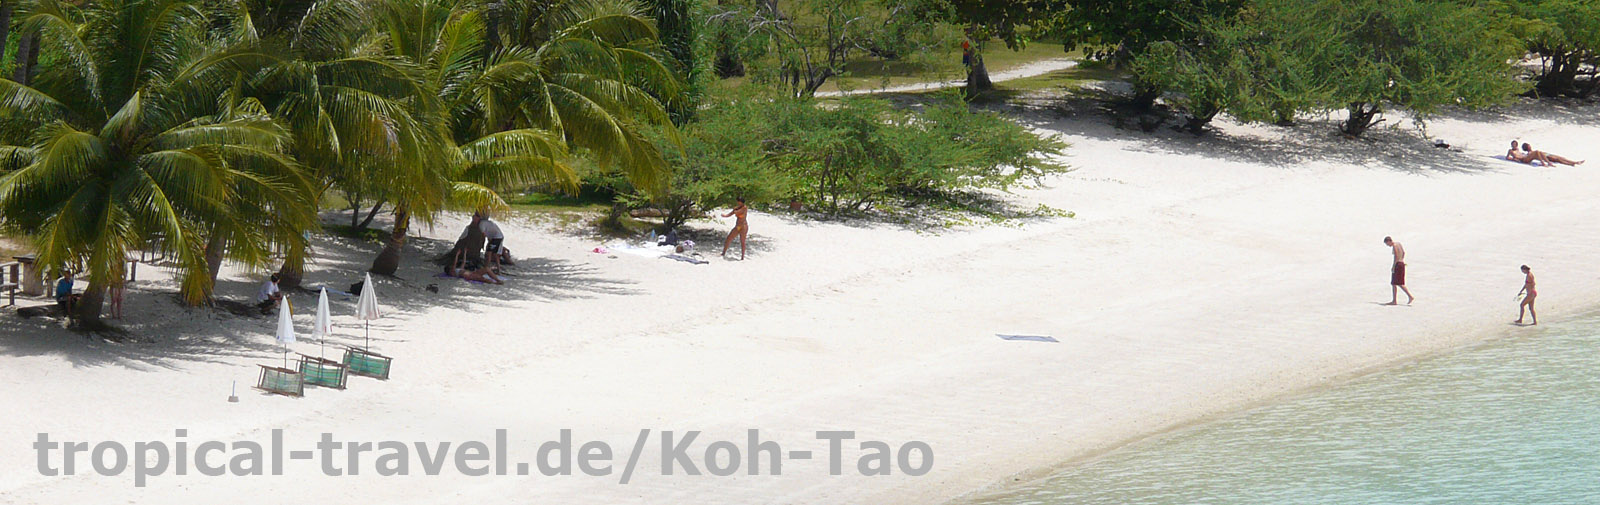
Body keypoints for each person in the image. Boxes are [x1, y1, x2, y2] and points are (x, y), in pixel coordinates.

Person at [1384, 236, 1413, 305]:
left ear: (1389, 241)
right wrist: (1402, 260)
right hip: (1401, 263)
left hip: (1398, 264)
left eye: (1387, 244)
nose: (1388, 245)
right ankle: (1394, 300)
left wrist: (1393, 266)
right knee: (1394, 283)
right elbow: (1403, 253)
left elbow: (1396, 257)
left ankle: (1410, 296)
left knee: (1399, 283)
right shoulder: (1399, 244)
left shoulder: (1394, 246)